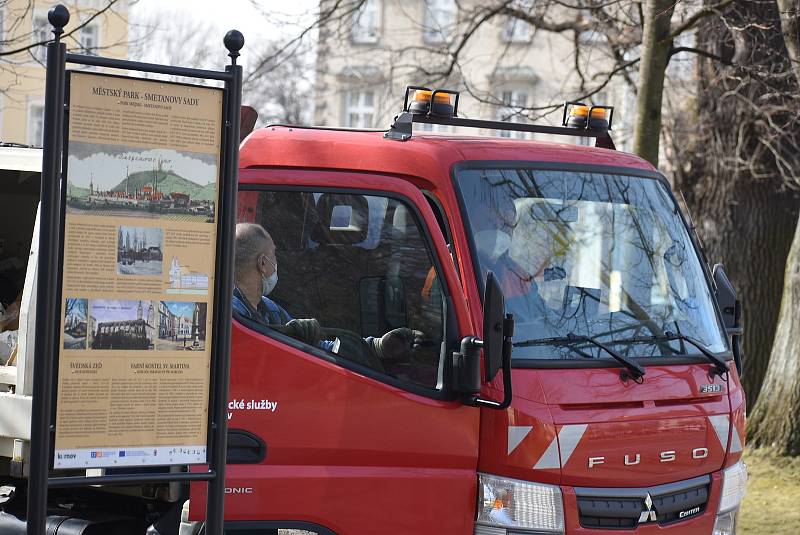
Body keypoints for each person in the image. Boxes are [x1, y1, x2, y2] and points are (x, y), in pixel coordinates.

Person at [233, 223, 421, 362]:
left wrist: (377, 347)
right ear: (263, 264)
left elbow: (320, 348)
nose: (277, 260)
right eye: (274, 254)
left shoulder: (270, 309)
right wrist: (288, 334)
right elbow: (248, 352)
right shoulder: (230, 315)